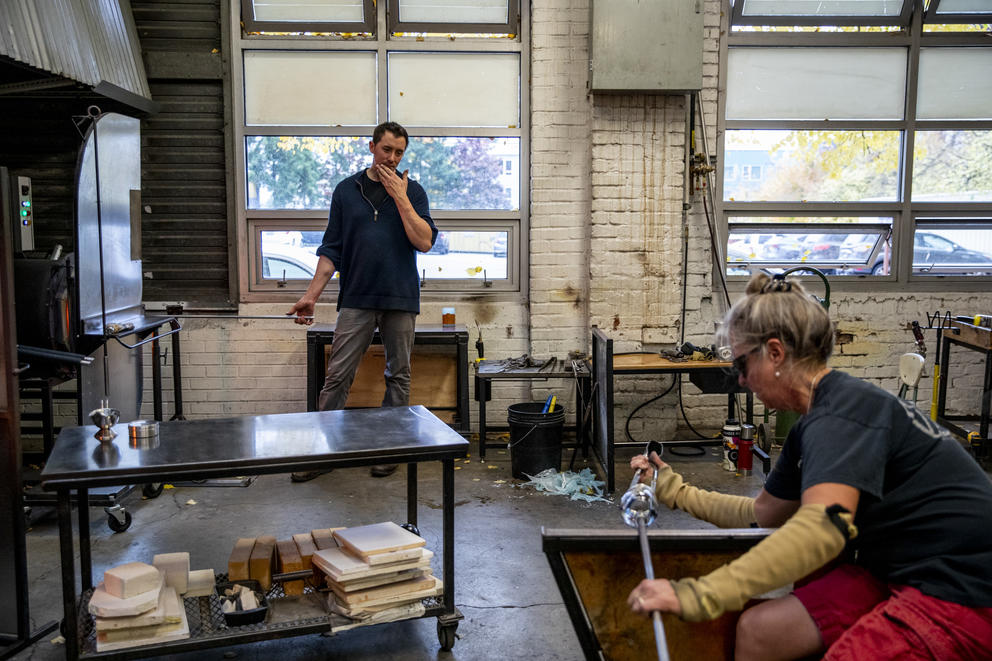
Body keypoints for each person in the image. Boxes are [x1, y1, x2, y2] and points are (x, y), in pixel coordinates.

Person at [627, 272, 992, 660]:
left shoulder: (842, 413)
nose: (743, 380)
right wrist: (671, 488)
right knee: (761, 630)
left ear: (775, 353)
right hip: (895, 568)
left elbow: (822, 529)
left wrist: (698, 595)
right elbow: (762, 513)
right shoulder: (812, 424)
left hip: (962, 589)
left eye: (742, 365)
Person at [287, 121, 437, 481]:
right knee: (337, 376)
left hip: (400, 297)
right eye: (387, 149)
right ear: (372, 147)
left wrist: (400, 196)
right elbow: (331, 250)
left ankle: (391, 449)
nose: (393, 157)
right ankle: (324, 452)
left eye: (400, 152)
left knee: (397, 375)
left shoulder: (413, 192)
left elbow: (425, 241)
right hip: (356, 297)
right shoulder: (346, 191)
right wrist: (311, 297)